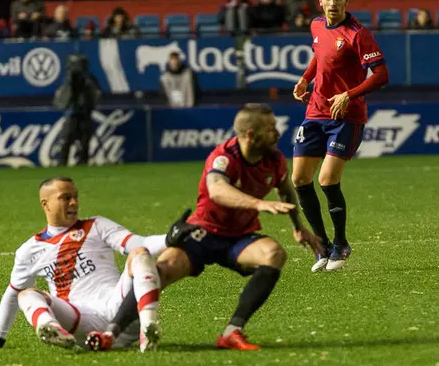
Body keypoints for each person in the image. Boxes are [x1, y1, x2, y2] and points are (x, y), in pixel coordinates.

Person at [85, 104, 324, 352]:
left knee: (274, 254)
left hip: (238, 238)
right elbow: (217, 190)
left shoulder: (274, 160)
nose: (277, 133)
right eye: (270, 128)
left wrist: (299, 227)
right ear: (251, 134)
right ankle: (110, 333)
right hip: (202, 233)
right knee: (159, 272)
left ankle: (232, 332)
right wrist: (258, 203)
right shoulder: (224, 157)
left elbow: (286, 192)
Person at [0, 177, 168, 352]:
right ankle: (51, 329)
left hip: (120, 311)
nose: (73, 203)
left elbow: (140, 243)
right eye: (65, 197)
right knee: (25, 294)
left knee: (140, 255)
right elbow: (12, 294)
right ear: (45, 204)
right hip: (81, 324)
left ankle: (148, 328)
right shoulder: (29, 250)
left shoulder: (96, 226)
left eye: (75, 197)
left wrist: (170, 239)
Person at [292, 0, 390, 272]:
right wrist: (305, 78)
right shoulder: (317, 25)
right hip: (315, 111)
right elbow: (320, 57)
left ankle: (341, 244)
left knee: (327, 180)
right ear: (319, 0)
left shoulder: (357, 34)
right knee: (299, 179)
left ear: (346, 0)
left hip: (345, 116)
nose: (332, 3)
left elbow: (381, 75)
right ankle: (320, 246)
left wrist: (349, 95)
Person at [53, 54, 101, 166]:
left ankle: (82, 163)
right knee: (66, 141)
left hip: (85, 114)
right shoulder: (69, 80)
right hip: (73, 114)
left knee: (84, 142)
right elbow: (61, 100)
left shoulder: (89, 80)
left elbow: (95, 96)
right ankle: (62, 164)